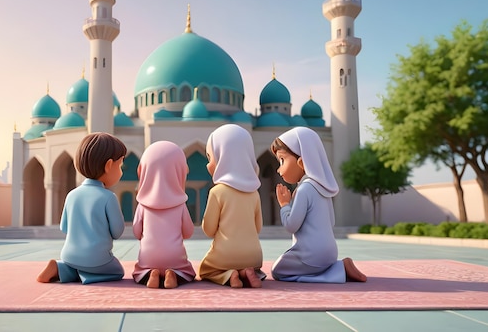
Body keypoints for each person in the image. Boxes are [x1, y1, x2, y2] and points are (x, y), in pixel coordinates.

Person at [270, 126, 367, 283]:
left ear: (301, 162)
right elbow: (331, 222)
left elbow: (291, 226)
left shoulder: (304, 190)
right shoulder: (322, 188)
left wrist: (285, 205)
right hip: (330, 253)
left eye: (282, 160)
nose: (279, 170)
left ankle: (338, 271)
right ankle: (336, 266)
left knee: (278, 271)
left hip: (311, 256)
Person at [36, 132, 127, 284]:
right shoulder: (108, 197)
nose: (121, 172)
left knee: (78, 264)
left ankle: (61, 268)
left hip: (69, 256)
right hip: (98, 259)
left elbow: (64, 228)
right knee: (117, 271)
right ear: (109, 165)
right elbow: (117, 232)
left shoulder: (72, 195)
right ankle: (87, 276)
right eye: (120, 166)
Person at [199, 124, 266, 288]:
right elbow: (258, 228)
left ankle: (229, 275)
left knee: (205, 270)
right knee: (250, 265)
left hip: (225, 255)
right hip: (254, 257)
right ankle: (245, 272)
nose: (208, 165)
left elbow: (208, 230)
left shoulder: (217, 192)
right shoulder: (254, 193)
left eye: (210, 158)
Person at [132, 141, 196, 289]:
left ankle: (152, 272)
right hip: (175, 257)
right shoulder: (180, 205)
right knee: (183, 269)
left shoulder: (143, 205)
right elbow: (188, 232)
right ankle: (172, 273)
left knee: (143, 268)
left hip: (148, 257)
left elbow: (136, 232)